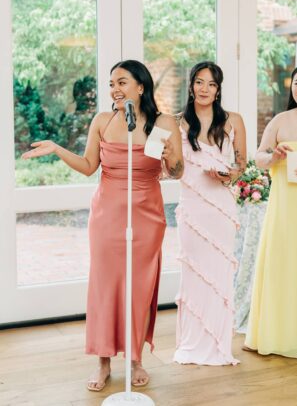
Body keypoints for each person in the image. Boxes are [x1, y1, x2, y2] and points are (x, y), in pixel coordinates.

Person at [21, 60, 184, 391]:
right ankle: (103, 360)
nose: (115, 89)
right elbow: (88, 166)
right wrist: (56, 148)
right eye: (111, 83)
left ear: (141, 86)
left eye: (122, 82)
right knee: (105, 286)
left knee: (140, 287)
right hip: (107, 215)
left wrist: (171, 156)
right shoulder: (102, 121)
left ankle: (135, 359)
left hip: (147, 215)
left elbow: (177, 171)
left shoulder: (163, 123)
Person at [173, 61, 247, 365]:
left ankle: (218, 345)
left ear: (218, 90)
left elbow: (241, 165)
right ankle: (191, 343)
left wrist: (228, 175)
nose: (205, 89)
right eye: (199, 82)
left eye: (212, 84)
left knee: (219, 275)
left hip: (221, 208)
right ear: (191, 86)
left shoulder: (233, 120)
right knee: (193, 272)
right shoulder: (173, 123)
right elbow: (169, 167)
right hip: (192, 209)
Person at [244, 61, 297, 361]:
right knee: (282, 263)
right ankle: (277, 334)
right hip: (284, 206)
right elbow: (258, 158)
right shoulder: (280, 120)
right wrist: (273, 156)